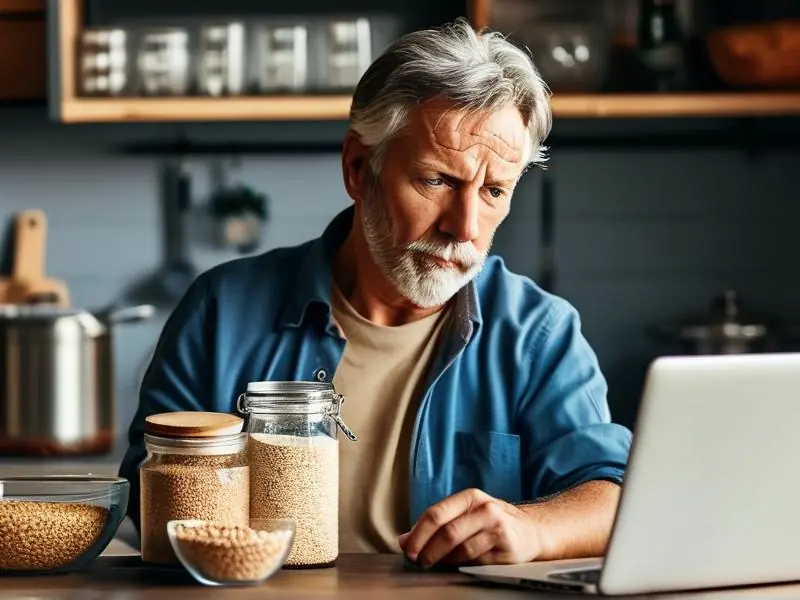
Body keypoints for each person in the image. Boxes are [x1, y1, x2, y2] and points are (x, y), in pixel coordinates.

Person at [120, 18, 631, 569]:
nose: (464, 226)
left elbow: (613, 496)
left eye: (493, 191)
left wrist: (533, 528)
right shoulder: (220, 312)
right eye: (437, 181)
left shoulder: (540, 334)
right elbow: (149, 498)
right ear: (359, 168)